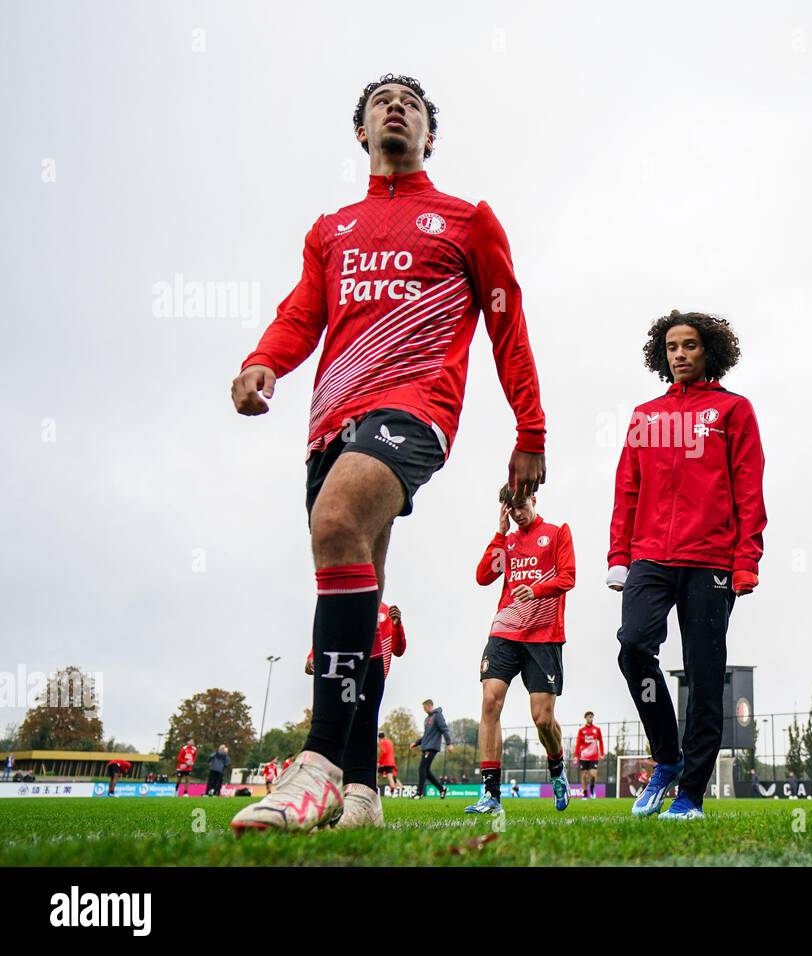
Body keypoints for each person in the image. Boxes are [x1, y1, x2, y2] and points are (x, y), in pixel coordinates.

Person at [228, 72, 546, 835]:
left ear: (430, 136)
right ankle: (365, 791)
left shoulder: (467, 221)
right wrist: (265, 358)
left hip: (413, 409)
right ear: (361, 134)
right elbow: (303, 311)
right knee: (358, 594)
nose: (394, 108)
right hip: (330, 420)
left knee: (335, 521)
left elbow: (508, 326)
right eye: (380, 103)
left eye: (411, 104)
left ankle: (319, 766)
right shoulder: (331, 229)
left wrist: (529, 433)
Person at [608, 311, 766, 821]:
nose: (679, 354)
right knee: (633, 648)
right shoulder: (644, 416)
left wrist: (746, 560)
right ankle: (668, 759)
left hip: (711, 559)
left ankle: (691, 796)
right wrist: (618, 555)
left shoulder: (733, 411)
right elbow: (626, 489)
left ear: (709, 352)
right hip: (650, 556)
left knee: (703, 674)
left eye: (690, 346)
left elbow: (748, 488)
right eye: (672, 346)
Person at [465, 486, 575, 816]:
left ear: (534, 500)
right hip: (504, 631)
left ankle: (557, 769)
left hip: (543, 636)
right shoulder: (508, 542)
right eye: (511, 509)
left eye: (521, 505)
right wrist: (499, 534)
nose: (517, 513)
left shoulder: (557, 533)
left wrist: (538, 588)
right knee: (490, 700)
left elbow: (568, 577)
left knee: (542, 719)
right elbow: (483, 577)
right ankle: (491, 794)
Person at [305, 601, 407, 827]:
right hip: (345, 673)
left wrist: (398, 625)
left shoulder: (385, 610)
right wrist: (313, 654)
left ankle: (362, 793)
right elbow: (333, 628)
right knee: (343, 726)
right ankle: (348, 793)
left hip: (372, 677)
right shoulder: (347, 600)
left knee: (361, 727)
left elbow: (398, 650)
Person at [411, 699, 452, 799]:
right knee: (427, 772)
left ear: (429, 706)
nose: (424, 710)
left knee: (422, 768)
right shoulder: (427, 719)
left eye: (425, 708)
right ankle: (442, 789)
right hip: (425, 747)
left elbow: (444, 729)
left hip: (431, 747)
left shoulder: (437, 715)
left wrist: (449, 743)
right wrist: (416, 743)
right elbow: (426, 735)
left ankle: (419, 793)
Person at [574, 712, 605, 798]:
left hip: (594, 757)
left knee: (593, 774)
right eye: (589, 717)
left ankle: (591, 788)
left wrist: (602, 753)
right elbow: (578, 744)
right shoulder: (581, 730)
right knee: (583, 776)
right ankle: (585, 793)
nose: (591, 718)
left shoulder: (597, 729)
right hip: (584, 757)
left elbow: (601, 741)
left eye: (592, 717)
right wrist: (576, 756)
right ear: (586, 718)